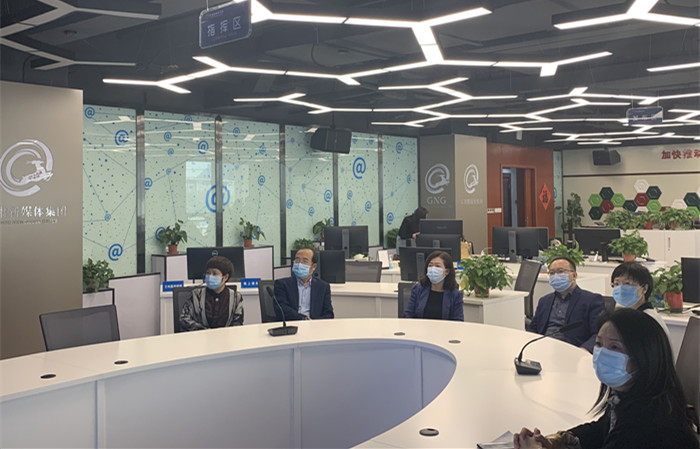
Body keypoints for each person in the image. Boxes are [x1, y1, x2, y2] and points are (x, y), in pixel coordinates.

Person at [514, 308, 699, 449]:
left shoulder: (645, 426)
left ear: (644, 357)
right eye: (599, 344)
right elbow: (601, 429)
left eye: (615, 347)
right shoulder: (632, 397)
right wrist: (557, 440)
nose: (602, 353)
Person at [526, 257, 605, 353]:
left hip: (573, 350)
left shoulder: (591, 300)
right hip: (543, 348)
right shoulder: (544, 301)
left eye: (560, 271)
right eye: (552, 273)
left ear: (574, 276)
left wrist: (584, 350)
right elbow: (532, 328)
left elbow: (599, 333)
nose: (556, 276)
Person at [179, 256, 244, 331]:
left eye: (214, 274)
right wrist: (205, 331)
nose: (210, 276)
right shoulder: (196, 295)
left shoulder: (236, 297)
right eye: (208, 273)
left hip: (226, 337)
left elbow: (238, 323)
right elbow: (184, 319)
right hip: (201, 336)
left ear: (225, 277)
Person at [610, 261, 670, 338]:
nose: (621, 289)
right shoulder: (631, 315)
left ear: (644, 288)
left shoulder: (647, 319)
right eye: (617, 284)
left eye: (627, 283)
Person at [274, 247, 333, 320]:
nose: (299, 264)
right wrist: (303, 319)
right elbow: (282, 309)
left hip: (315, 325)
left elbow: (328, 314)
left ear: (313, 267)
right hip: (292, 323)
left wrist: (314, 323)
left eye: (305, 261)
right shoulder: (282, 284)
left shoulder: (323, 287)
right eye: (297, 260)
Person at [403, 250, 464, 321]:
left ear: (447, 271)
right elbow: (408, 315)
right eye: (430, 265)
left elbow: (458, 321)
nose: (433, 269)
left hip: (445, 328)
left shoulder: (456, 295)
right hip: (420, 327)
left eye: (437, 266)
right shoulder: (417, 289)